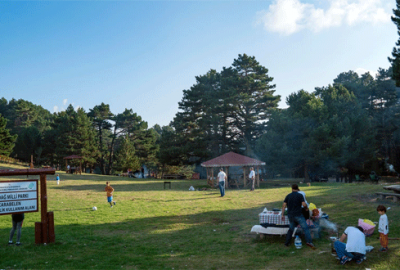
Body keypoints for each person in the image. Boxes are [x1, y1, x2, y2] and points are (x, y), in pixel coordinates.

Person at [281, 184, 315, 249]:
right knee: (305, 228)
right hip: (298, 215)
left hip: (290, 215)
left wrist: (282, 214)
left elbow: (283, 205)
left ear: (292, 188)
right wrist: (306, 208)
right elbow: (304, 204)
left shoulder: (288, 196)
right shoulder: (300, 195)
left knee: (291, 229)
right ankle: (309, 242)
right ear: (298, 188)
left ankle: (287, 243)